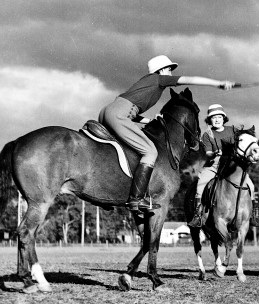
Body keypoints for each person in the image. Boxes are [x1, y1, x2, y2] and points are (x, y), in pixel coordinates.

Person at [99, 55, 234, 211]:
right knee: (150, 152)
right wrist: (218, 83)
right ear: (162, 69)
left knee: (121, 151)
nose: (170, 73)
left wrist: (150, 121)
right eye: (170, 70)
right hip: (119, 114)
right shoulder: (158, 79)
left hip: (108, 112)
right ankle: (136, 199)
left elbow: (133, 114)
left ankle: (106, 193)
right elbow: (189, 79)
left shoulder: (147, 83)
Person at [188, 104, 259, 228]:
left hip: (233, 166)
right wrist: (215, 152)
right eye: (213, 117)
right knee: (200, 186)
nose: (216, 120)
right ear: (209, 120)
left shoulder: (233, 130)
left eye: (219, 117)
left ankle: (253, 214)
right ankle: (198, 215)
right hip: (214, 165)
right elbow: (208, 153)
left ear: (223, 118)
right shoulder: (207, 134)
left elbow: (243, 141)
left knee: (251, 186)